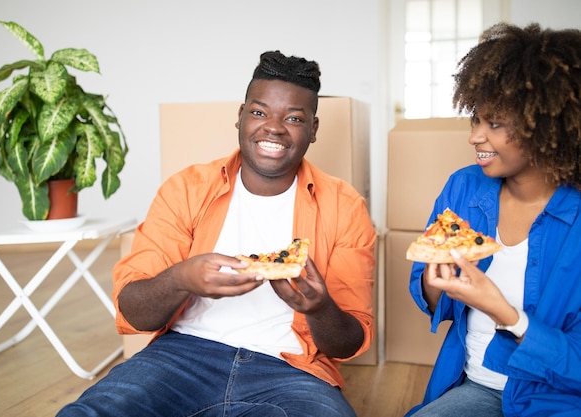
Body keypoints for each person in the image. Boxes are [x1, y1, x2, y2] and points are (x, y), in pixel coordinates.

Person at [57, 50, 376, 417]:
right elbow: (134, 310)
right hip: (180, 357)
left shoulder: (345, 206)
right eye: (259, 112)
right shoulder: (186, 188)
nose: (273, 127)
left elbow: (347, 342)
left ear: (314, 130)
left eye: (293, 118)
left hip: (291, 370)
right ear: (240, 117)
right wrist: (182, 278)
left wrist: (319, 308)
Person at [406, 23, 581, 417]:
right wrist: (438, 282)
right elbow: (429, 296)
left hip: (560, 401)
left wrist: (505, 313)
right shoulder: (463, 188)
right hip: (479, 390)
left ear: (545, 126)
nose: (475, 137)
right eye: (476, 120)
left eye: (495, 124)